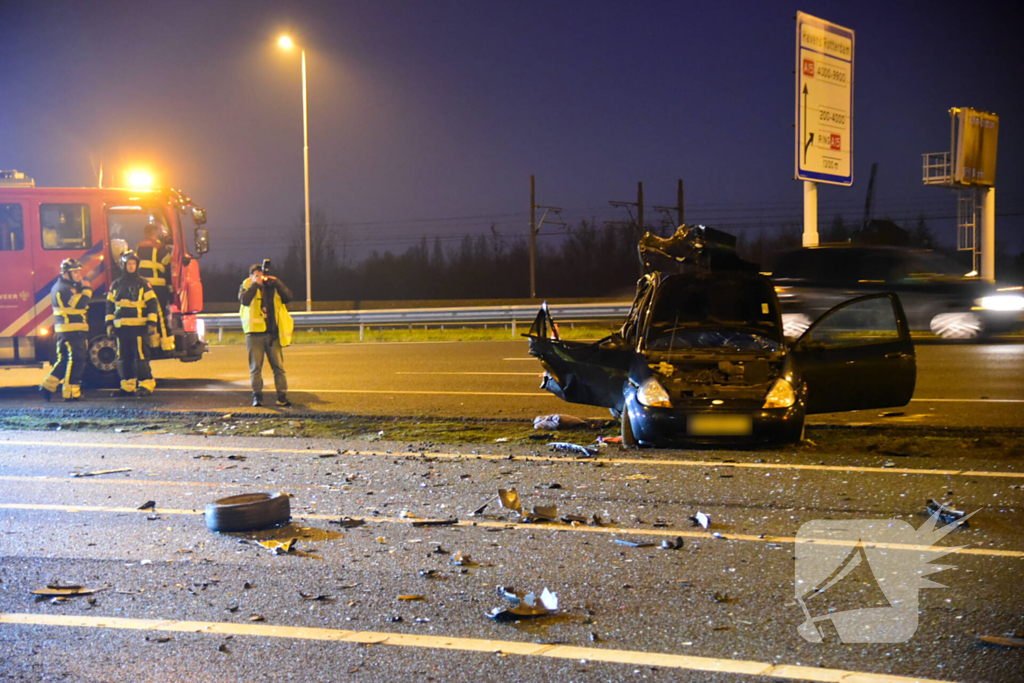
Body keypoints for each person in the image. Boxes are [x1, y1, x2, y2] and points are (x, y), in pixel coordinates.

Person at [239, 263, 293, 407]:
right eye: (256, 276)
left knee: (278, 367)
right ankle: (257, 397)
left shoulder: (272, 286)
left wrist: (278, 283)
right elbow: (244, 301)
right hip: (254, 335)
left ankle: (282, 397)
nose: (260, 278)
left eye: (261, 276)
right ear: (251, 276)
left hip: (272, 334)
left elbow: (288, 297)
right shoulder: (246, 286)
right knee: (255, 368)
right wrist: (255, 285)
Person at [105, 250, 159, 396]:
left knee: (141, 357)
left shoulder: (143, 284)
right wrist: (109, 324)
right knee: (123, 357)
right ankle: (127, 387)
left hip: (139, 328)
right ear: (123, 265)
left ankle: (146, 385)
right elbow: (109, 306)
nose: (131, 266)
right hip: (121, 329)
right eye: (129, 264)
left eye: (134, 263)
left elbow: (152, 304)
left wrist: (152, 323)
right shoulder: (116, 285)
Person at [40, 259, 92, 401]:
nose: (78, 275)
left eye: (78, 272)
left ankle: (47, 387)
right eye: (75, 272)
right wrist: (87, 290)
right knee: (76, 360)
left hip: (66, 331)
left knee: (63, 361)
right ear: (66, 274)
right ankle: (71, 393)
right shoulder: (65, 289)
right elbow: (80, 305)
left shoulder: (61, 286)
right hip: (73, 330)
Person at [136, 221, 174, 351]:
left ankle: (154, 344)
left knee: (150, 315)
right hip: (157, 286)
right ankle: (166, 346)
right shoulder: (158, 247)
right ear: (155, 233)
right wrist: (170, 248)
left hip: (143, 286)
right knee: (161, 316)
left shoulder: (138, 247)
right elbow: (167, 261)